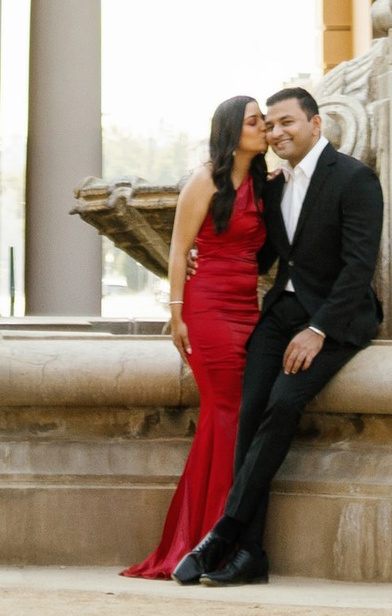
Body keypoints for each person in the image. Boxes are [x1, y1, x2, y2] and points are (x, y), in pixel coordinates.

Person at [173, 83, 383, 588]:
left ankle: (225, 533)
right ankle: (251, 555)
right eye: (270, 122)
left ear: (316, 124)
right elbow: (259, 251)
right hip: (277, 315)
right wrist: (205, 255)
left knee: (283, 403)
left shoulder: (355, 179)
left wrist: (317, 330)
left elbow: (358, 269)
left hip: (334, 320)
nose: (276, 130)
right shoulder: (271, 184)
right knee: (248, 414)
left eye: (287, 121)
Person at [125, 92, 274, 580]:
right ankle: (211, 539)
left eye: (266, 121)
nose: (264, 128)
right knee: (226, 414)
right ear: (234, 130)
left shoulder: (262, 181)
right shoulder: (204, 178)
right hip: (207, 308)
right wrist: (177, 313)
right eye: (255, 121)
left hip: (246, 308)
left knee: (230, 417)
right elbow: (177, 249)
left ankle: (211, 538)